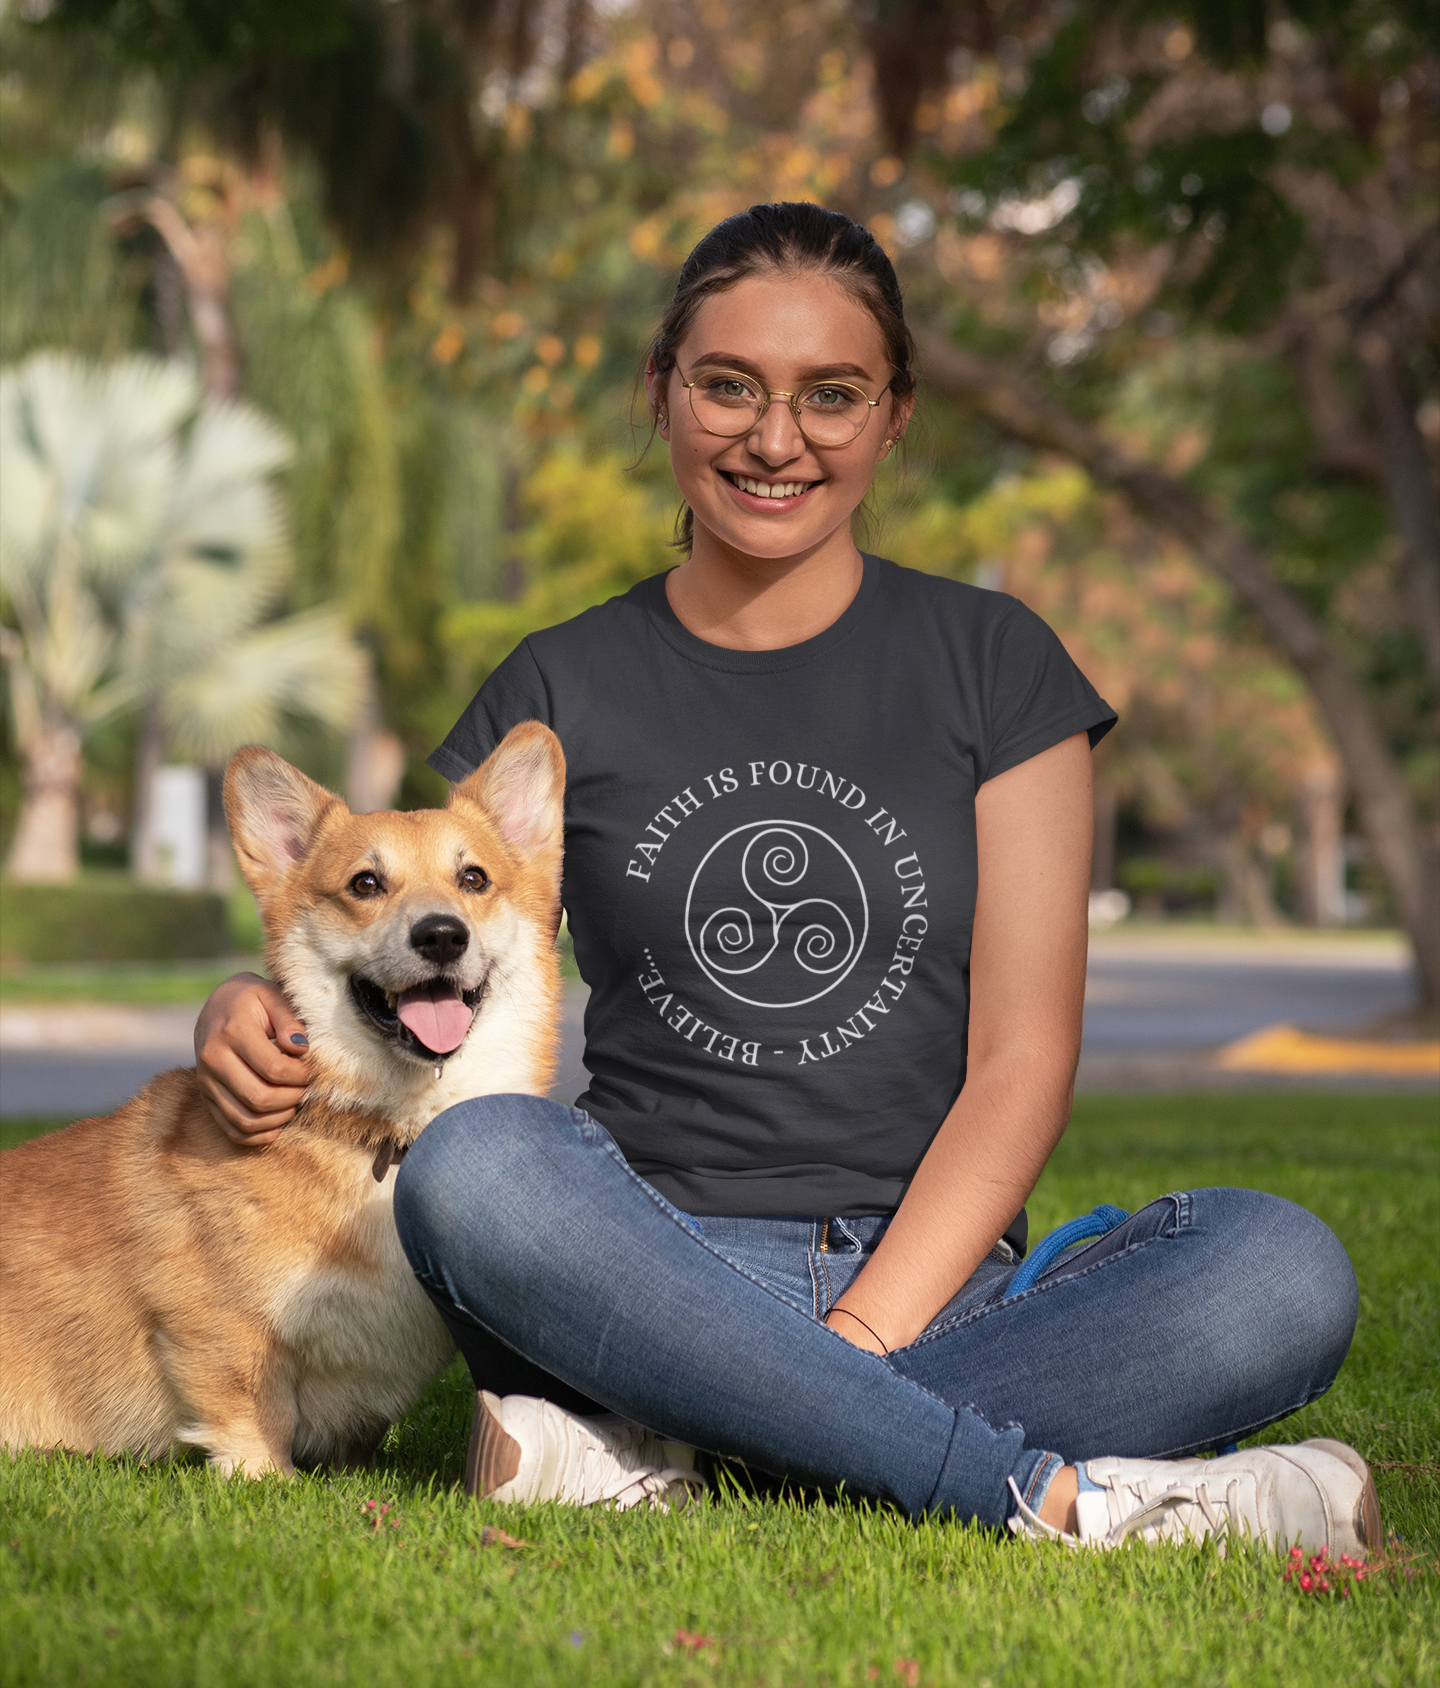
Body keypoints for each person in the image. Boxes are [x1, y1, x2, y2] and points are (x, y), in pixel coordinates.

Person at [195, 202, 1378, 1553]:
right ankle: (1064, 1499)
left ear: (895, 414)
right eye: (728, 386)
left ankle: (679, 1445)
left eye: (831, 395)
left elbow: (1023, 1063)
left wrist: (858, 1340)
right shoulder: (560, 681)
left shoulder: (997, 665)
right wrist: (237, 1007)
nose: (776, 439)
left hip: (938, 1280)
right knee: (474, 1170)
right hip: (626, 1265)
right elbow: (402, 913)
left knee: (1282, 1272)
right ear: (661, 392)